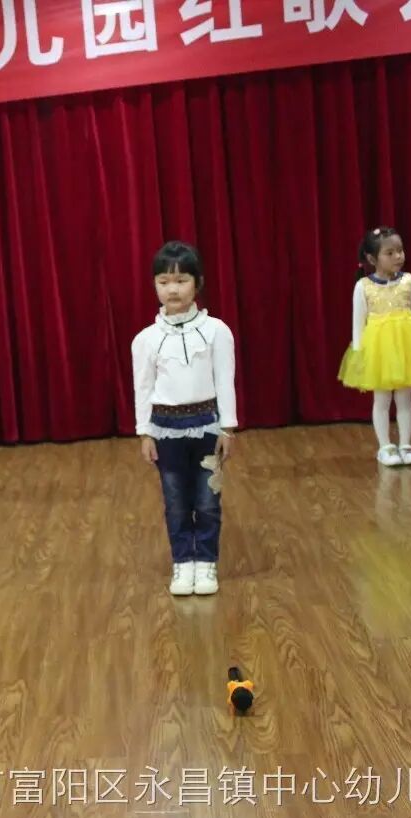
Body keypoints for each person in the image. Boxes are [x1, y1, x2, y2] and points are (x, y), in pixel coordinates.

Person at [132, 242, 238, 596]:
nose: (172, 290)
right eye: (163, 282)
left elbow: (225, 381)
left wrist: (228, 427)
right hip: (166, 432)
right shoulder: (146, 340)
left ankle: (206, 561)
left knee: (208, 500)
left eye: (181, 281)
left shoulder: (217, 331)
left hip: (207, 427)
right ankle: (183, 561)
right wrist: (145, 433)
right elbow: (143, 388)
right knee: (176, 500)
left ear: (198, 283)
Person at [336, 227, 411, 466]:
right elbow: (358, 324)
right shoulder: (363, 286)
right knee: (382, 400)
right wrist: (360, 354)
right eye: (390, 253)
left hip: (407, 348)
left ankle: (405, 444)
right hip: (379, 351)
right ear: (372, 258)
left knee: (405, 399)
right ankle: (385, 446)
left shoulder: (409, 282)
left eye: (400, 251)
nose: (398, 256)